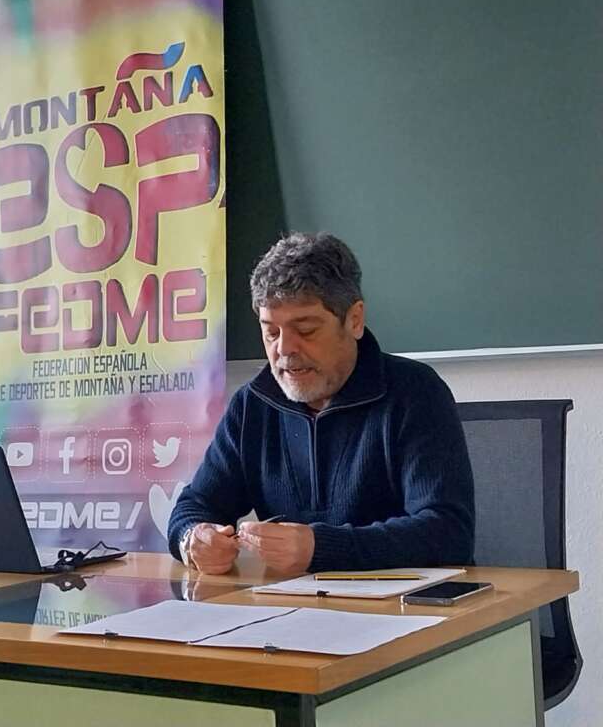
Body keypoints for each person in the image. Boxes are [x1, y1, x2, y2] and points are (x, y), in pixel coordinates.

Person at [168, 232, 475, 575]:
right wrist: (192, 538)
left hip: (407, 615)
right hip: (289, 614)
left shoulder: (415, 392)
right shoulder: (252, 405)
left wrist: (320, 547)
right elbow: (194, 506)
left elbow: (449, 533)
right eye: (271, 332)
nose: (284, 350)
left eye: (307, 330)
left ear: (354, 320)